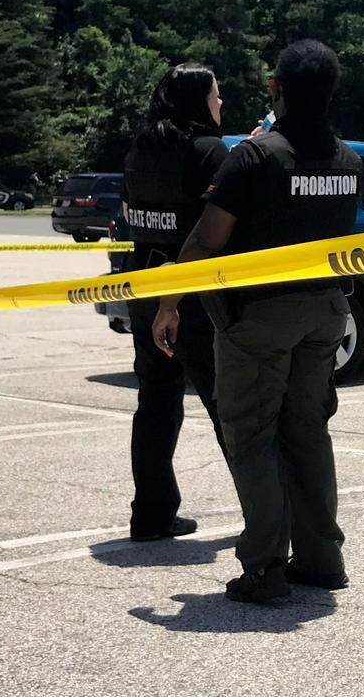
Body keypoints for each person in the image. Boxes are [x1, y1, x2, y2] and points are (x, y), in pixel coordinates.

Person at [152, 39, 361, 603]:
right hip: (326, 314)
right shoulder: (350, 161)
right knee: (308, 432)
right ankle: (321, 560)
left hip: (258, 317)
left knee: (252, 434)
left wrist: (168, 302)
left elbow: (206, 239)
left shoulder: (255, 157)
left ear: (277, 90)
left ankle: (265, 568)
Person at [122, 63, 230, 542]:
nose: (221, 104)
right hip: (192, 298)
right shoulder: (207, 150)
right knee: (229, 405)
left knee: (156, 403)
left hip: (143, 289)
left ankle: (151, 514)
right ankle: (267, 516)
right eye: (216, 95)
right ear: (197, 102)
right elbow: (224, 221)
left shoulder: (141, 149)